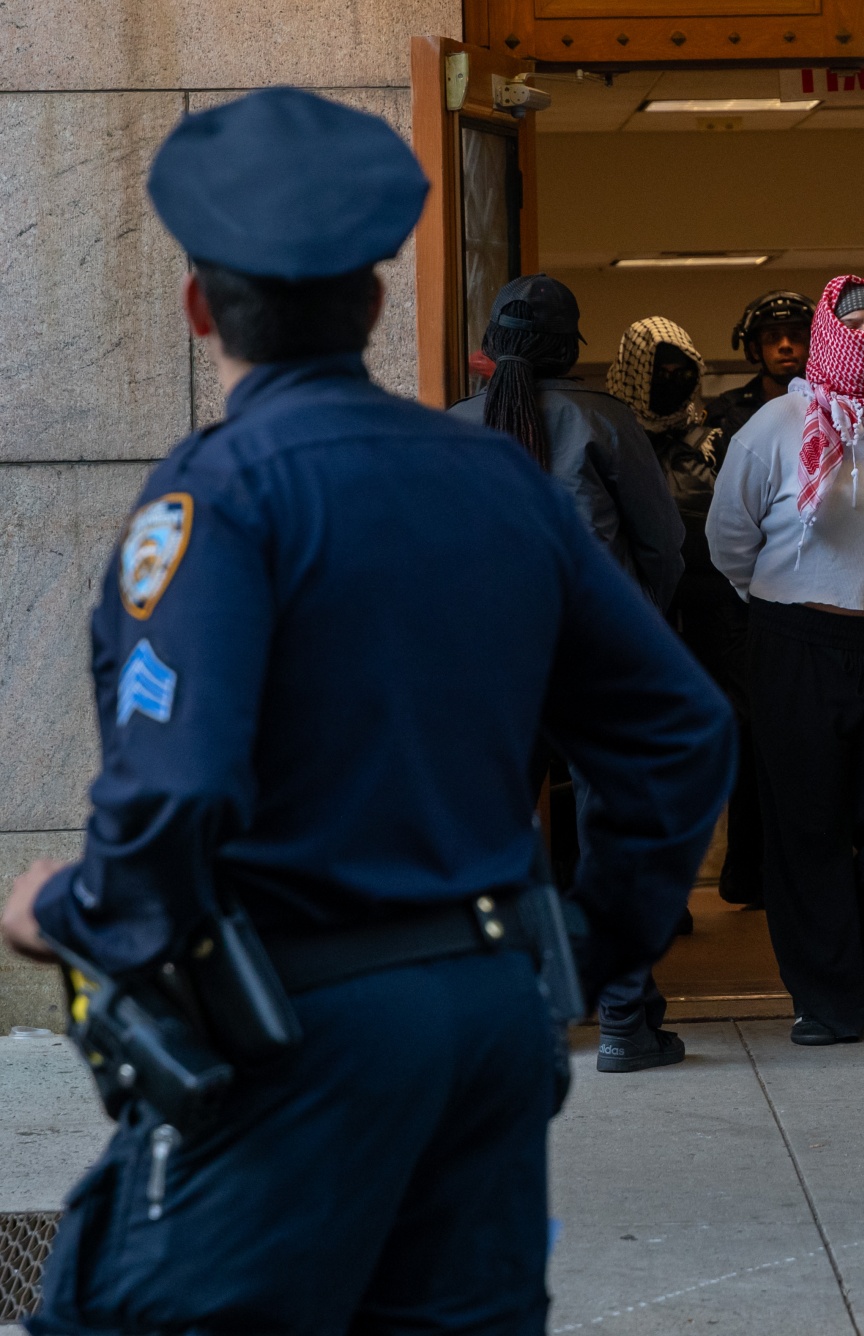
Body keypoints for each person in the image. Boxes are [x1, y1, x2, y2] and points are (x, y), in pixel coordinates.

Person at [0, 88, 734, 1332]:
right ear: (379, 302)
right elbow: (679, 728)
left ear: (197, 308)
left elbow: (176, 787)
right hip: (489, 1016)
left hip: (297, 1028)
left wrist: (70, 908)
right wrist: (585, 943)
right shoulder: (498, 482)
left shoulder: (218, 497)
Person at [706, 276, 864, 1046]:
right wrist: (795, 599)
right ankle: (827, 998)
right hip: (796, 646)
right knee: (806, 827)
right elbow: (728, 543)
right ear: (826, 335)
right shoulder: (775, 425)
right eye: (853, 325)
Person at [452, 282, 692, 1075]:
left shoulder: (450, 430)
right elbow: (663, 546)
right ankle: (624, 1022)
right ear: (571, 346)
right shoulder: (604, 420)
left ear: (493, 340)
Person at [608, 316, 766, 916]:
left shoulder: (714, 437)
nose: (671, 383)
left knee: (745, 731)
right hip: (641, 605)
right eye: (659, 371)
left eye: (683, 372)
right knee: (652, 742)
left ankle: (748, 868)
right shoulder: (611, 432)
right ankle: (661, 891)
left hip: (716, 603)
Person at [707, 289, 813, 452]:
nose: (785, 345)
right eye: (772, 337)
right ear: (755, 349)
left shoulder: (835, 410)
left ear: (813, 345)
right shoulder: (724, 414)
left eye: (796, 336)